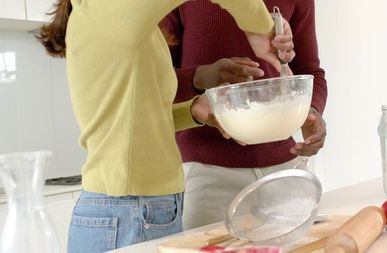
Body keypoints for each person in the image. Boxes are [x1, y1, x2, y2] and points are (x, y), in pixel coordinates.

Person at [36, 0, 289, 252]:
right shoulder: (104, 7)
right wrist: (262, 28)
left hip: (136, 210)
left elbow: (135, 117)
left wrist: (193, 111)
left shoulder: (110, 17)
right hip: (129, 211)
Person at [161, 0, 328, 230]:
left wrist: (312, 112)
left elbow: (309, 71)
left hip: (285, 169)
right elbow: (156, 82)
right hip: (207, 175)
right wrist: (201, 77)